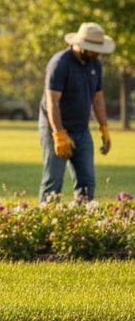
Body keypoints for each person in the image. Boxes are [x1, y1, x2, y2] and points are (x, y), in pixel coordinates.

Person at [38, 21, 114, 202]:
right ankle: (45, 225)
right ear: (81, 46)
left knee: (87, 183)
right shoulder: (60, 63)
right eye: (94, 49)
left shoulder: (95, 65)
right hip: (54, 129)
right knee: (53, 183)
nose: (98, 53)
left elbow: (98, 97)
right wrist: (59, 134)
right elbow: (52, 102)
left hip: (81, 130)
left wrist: (104, 127)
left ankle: (81, 224)